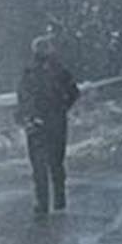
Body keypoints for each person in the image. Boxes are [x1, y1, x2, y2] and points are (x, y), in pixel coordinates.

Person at [18, 33, 80, 216]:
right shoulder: (60, 70)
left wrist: (26, 116)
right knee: (56, 162)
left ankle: (42, 202)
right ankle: (59, 199)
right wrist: (62, 108)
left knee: (38, 164)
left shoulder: (28, 71)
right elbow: (74, 93)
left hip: (36, 123)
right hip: (56, 122)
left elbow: (22, 97)